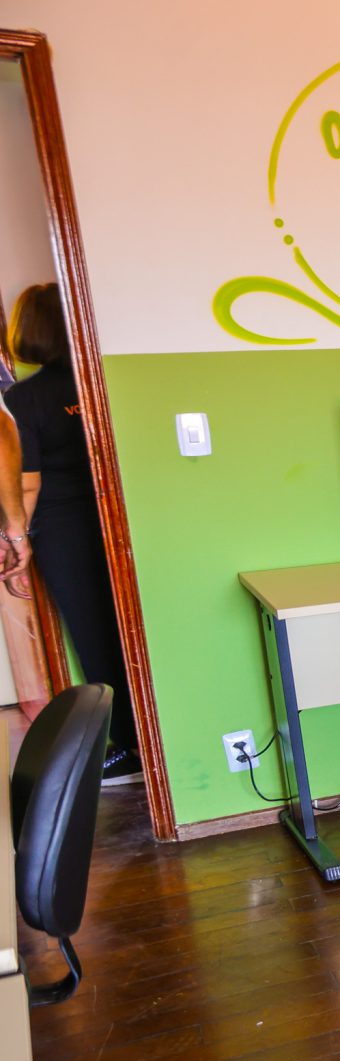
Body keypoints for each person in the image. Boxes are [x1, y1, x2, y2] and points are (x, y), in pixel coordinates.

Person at [2, 284, 138, 775]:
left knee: (93, 638)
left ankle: (128, 747)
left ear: (28, 331)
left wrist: (16, 541)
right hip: (121, 520)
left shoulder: (24, 397)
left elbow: (28, 482)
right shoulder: (105, 380)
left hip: (64, 531)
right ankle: (146, 740)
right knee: (132, 632)